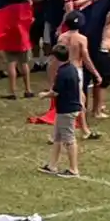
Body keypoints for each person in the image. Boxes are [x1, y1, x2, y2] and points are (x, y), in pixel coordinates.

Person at [43, 43, 82, 176]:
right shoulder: (72, 68)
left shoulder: (62, 73)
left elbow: (55, 92)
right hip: (68, 108)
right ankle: (52, 165)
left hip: (66, 110)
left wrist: (44, 95)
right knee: (57, 138)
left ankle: (73, 169)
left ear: (56, 58)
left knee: (69, 140)